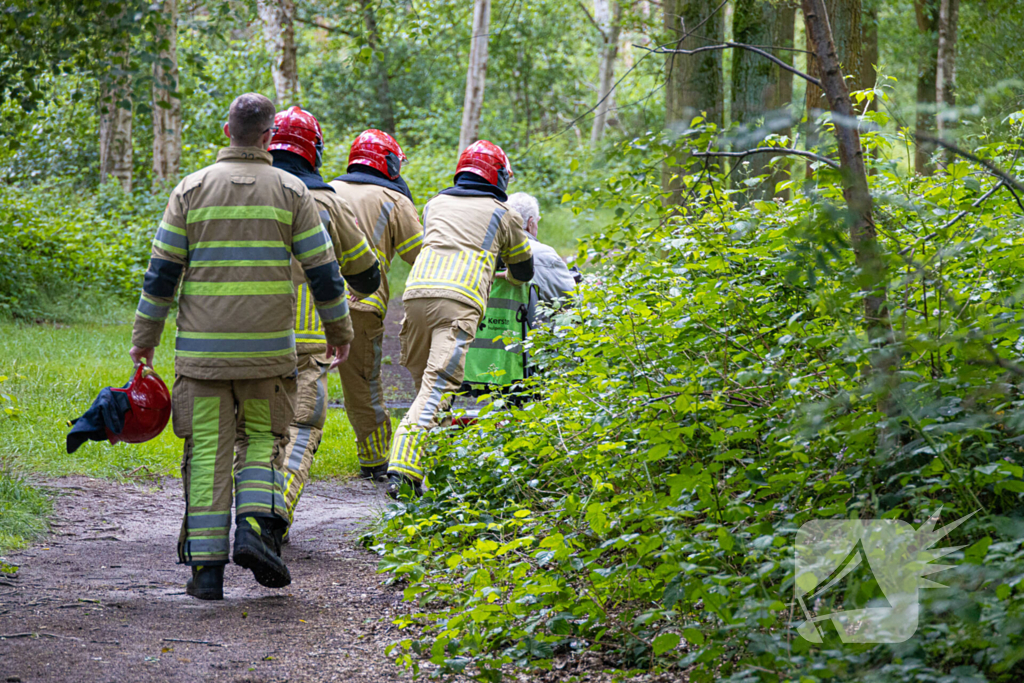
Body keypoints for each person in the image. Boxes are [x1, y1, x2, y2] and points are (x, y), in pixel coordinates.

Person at [128, 93, 353, 601]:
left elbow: (161, 276)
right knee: (260, 444)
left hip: (203, 360)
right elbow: (324, 273)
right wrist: (340, 332)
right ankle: (254, 529)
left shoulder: (191, 189)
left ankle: (206, 575)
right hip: (268, 358)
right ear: (269, 135)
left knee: (206, 453)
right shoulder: (294, 192)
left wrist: (145, 340)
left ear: (226, 131)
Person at [386, 140, 534, 498]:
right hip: (459, 302)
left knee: (426, 387)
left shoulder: (434, 203)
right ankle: (403, 471)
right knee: (437, 389)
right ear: (499, 177)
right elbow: (524, 268)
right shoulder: (504, 213)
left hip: (417, 295)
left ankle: (432, 467)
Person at [268, 107, 381, 541]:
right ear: (313, 152)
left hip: (238, 333)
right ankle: (272, 518)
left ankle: (232, 521)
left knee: (248, 431)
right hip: (306, 340)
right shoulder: (325, 201)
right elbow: (366, 274)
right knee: (300, 427)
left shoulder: (240, 192)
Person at [330, 130, 423, 481]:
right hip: (361, 305)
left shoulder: (326, 190)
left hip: (308, 305)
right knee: (362, 385)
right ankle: (373, 461)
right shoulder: (393, 199)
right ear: (390, 164)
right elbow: (420, 254)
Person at [505, 192, 576, 310]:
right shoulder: (543, 255)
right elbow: (573, 300)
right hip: (530, 327)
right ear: (530, 223)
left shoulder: (488, 249)